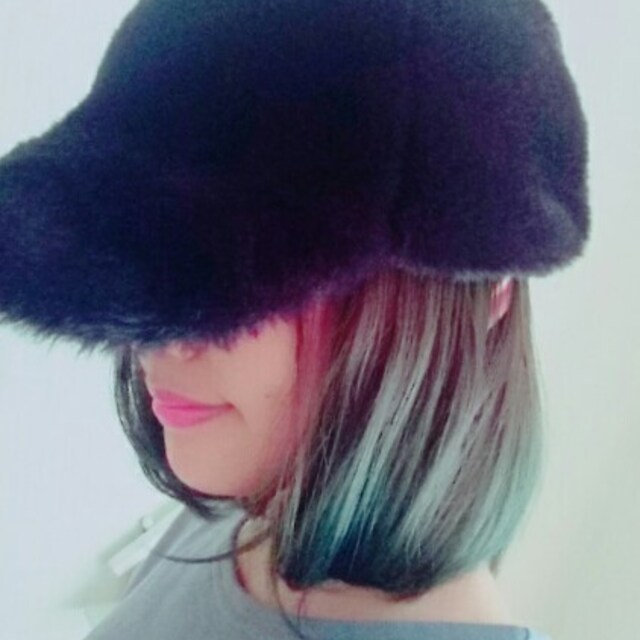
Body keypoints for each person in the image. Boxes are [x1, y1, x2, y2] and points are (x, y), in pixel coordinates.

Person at [0, 0, 590, 638]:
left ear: (484, 295)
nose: (159, 338)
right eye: (152, 256)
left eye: (246, 269)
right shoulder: (247, 509)